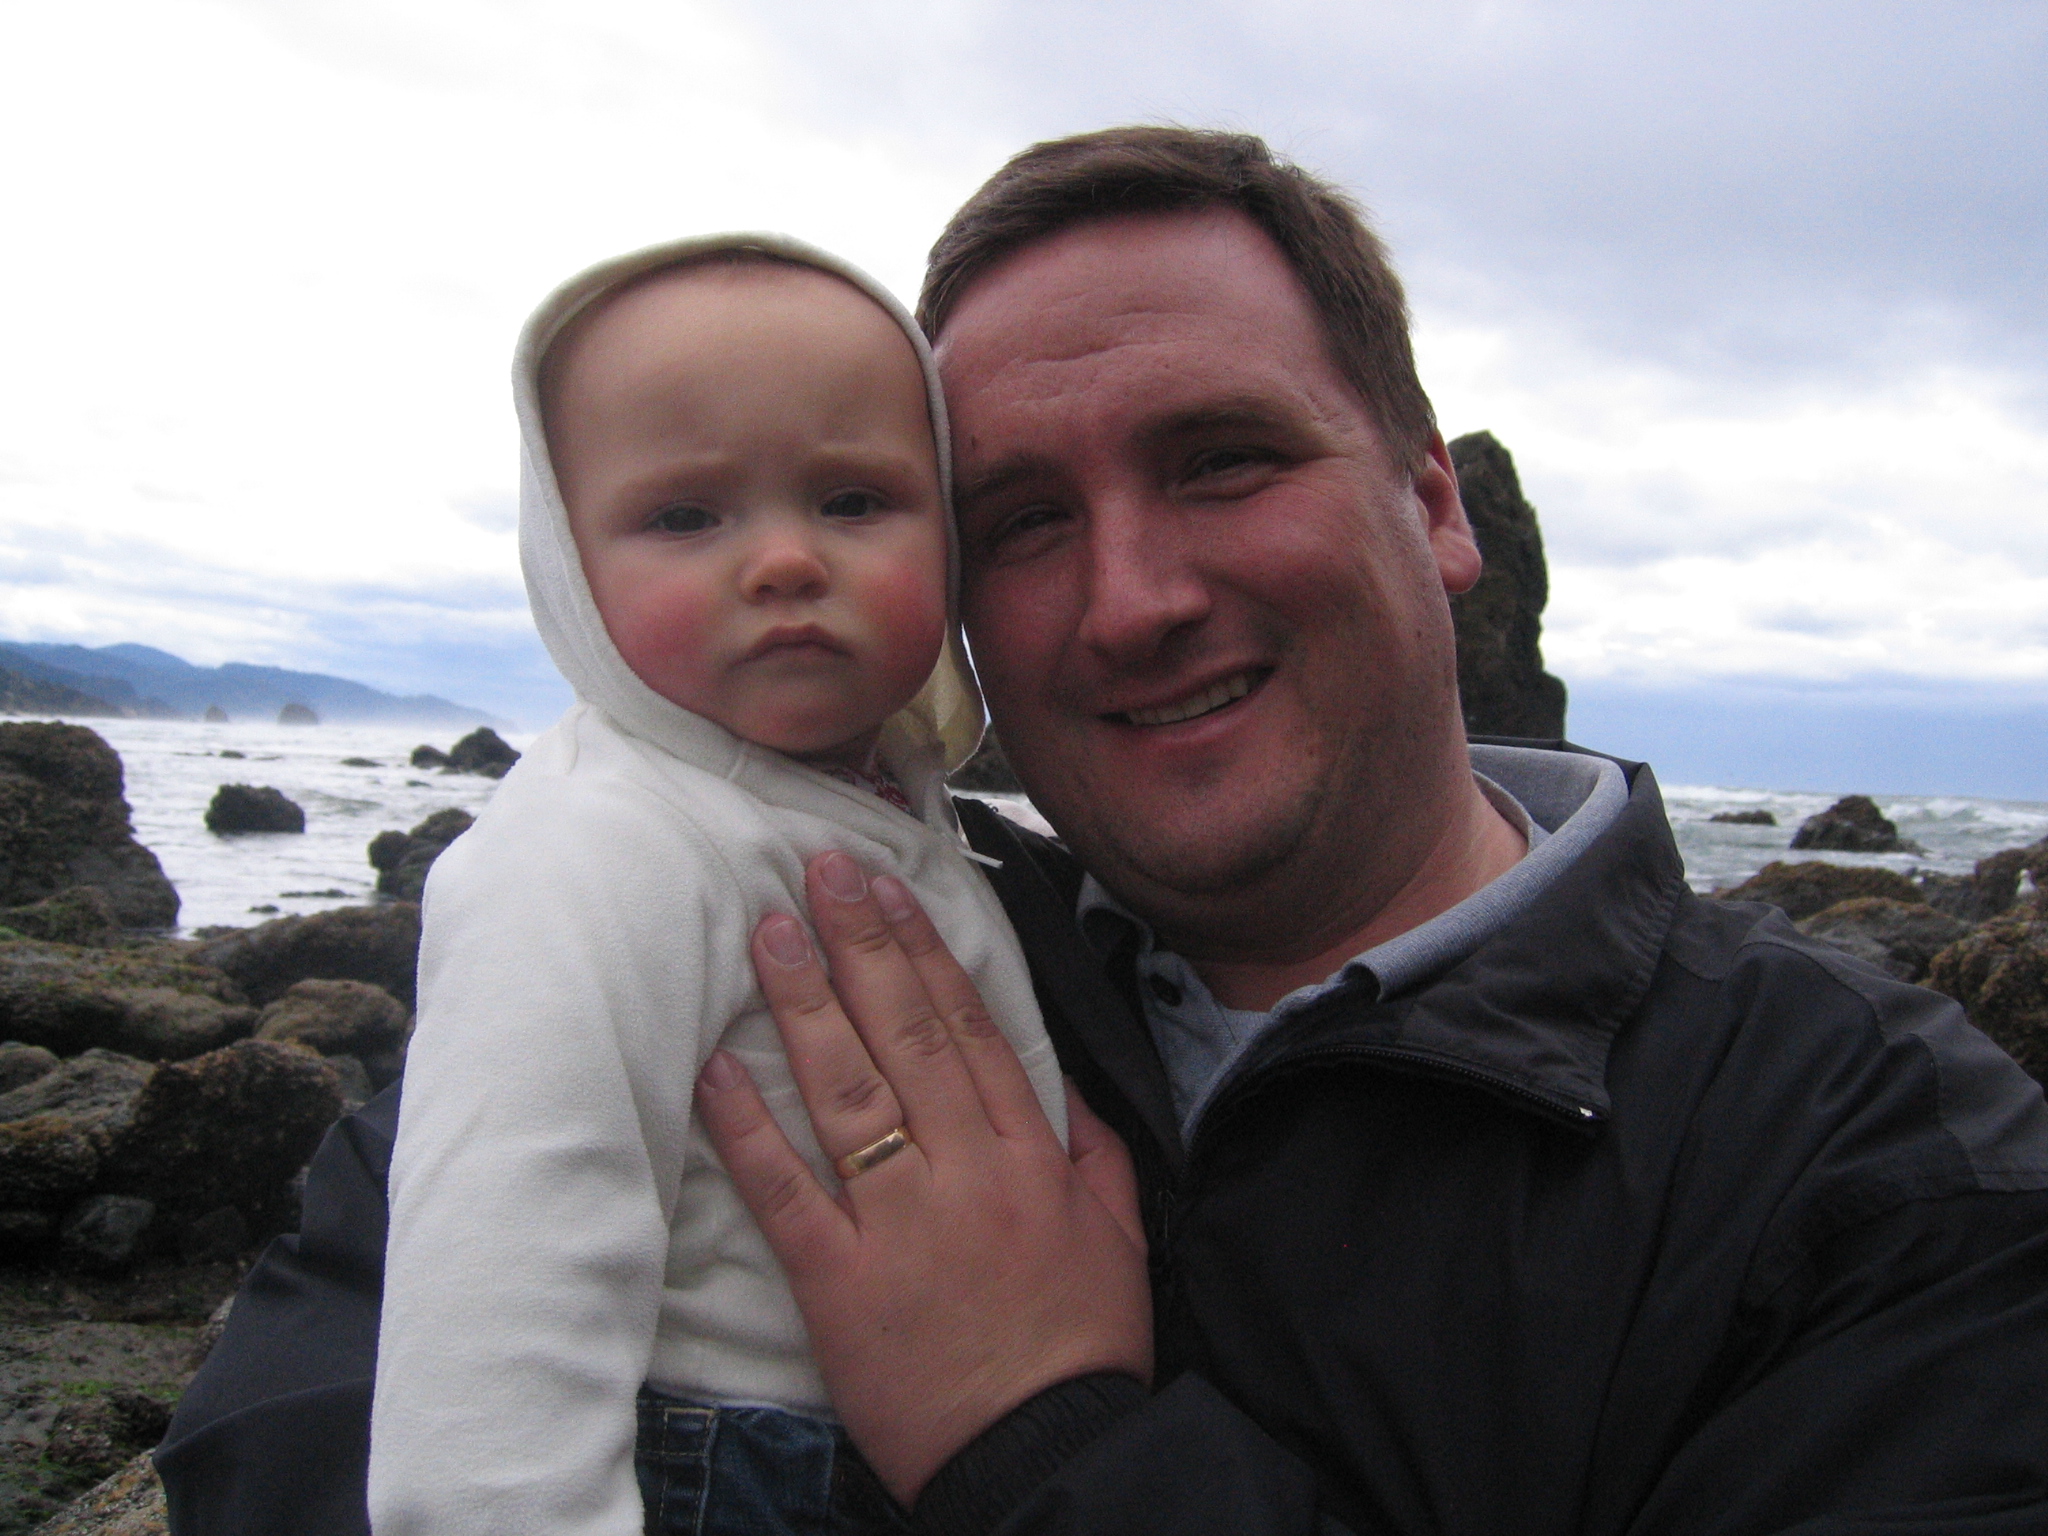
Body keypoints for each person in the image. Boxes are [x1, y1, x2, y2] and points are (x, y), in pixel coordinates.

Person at [156, 129, 2048, 1536]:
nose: (1131, 602)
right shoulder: (789, 923)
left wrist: (1042, 1442)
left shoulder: (1877, 1168)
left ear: (1432, 503)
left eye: (1224, 460)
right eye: (1024, 521)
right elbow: (307, 1398)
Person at [367, 233, 1069, 1536]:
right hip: (734, 1466)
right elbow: (498, 1279)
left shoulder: (887, 807)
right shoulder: (596, 844)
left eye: (854, 500)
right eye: (686, 517)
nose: (787, 559)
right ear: (568, 560)